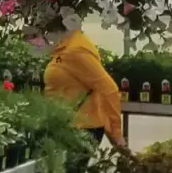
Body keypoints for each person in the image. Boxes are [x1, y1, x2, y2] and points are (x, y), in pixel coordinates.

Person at [38, 12, 127, 155]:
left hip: (79, 128)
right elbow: (63, 68)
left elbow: (109, 89)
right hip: (67, 125)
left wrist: (116, 133)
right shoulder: (65, 49)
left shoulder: (76, 50)